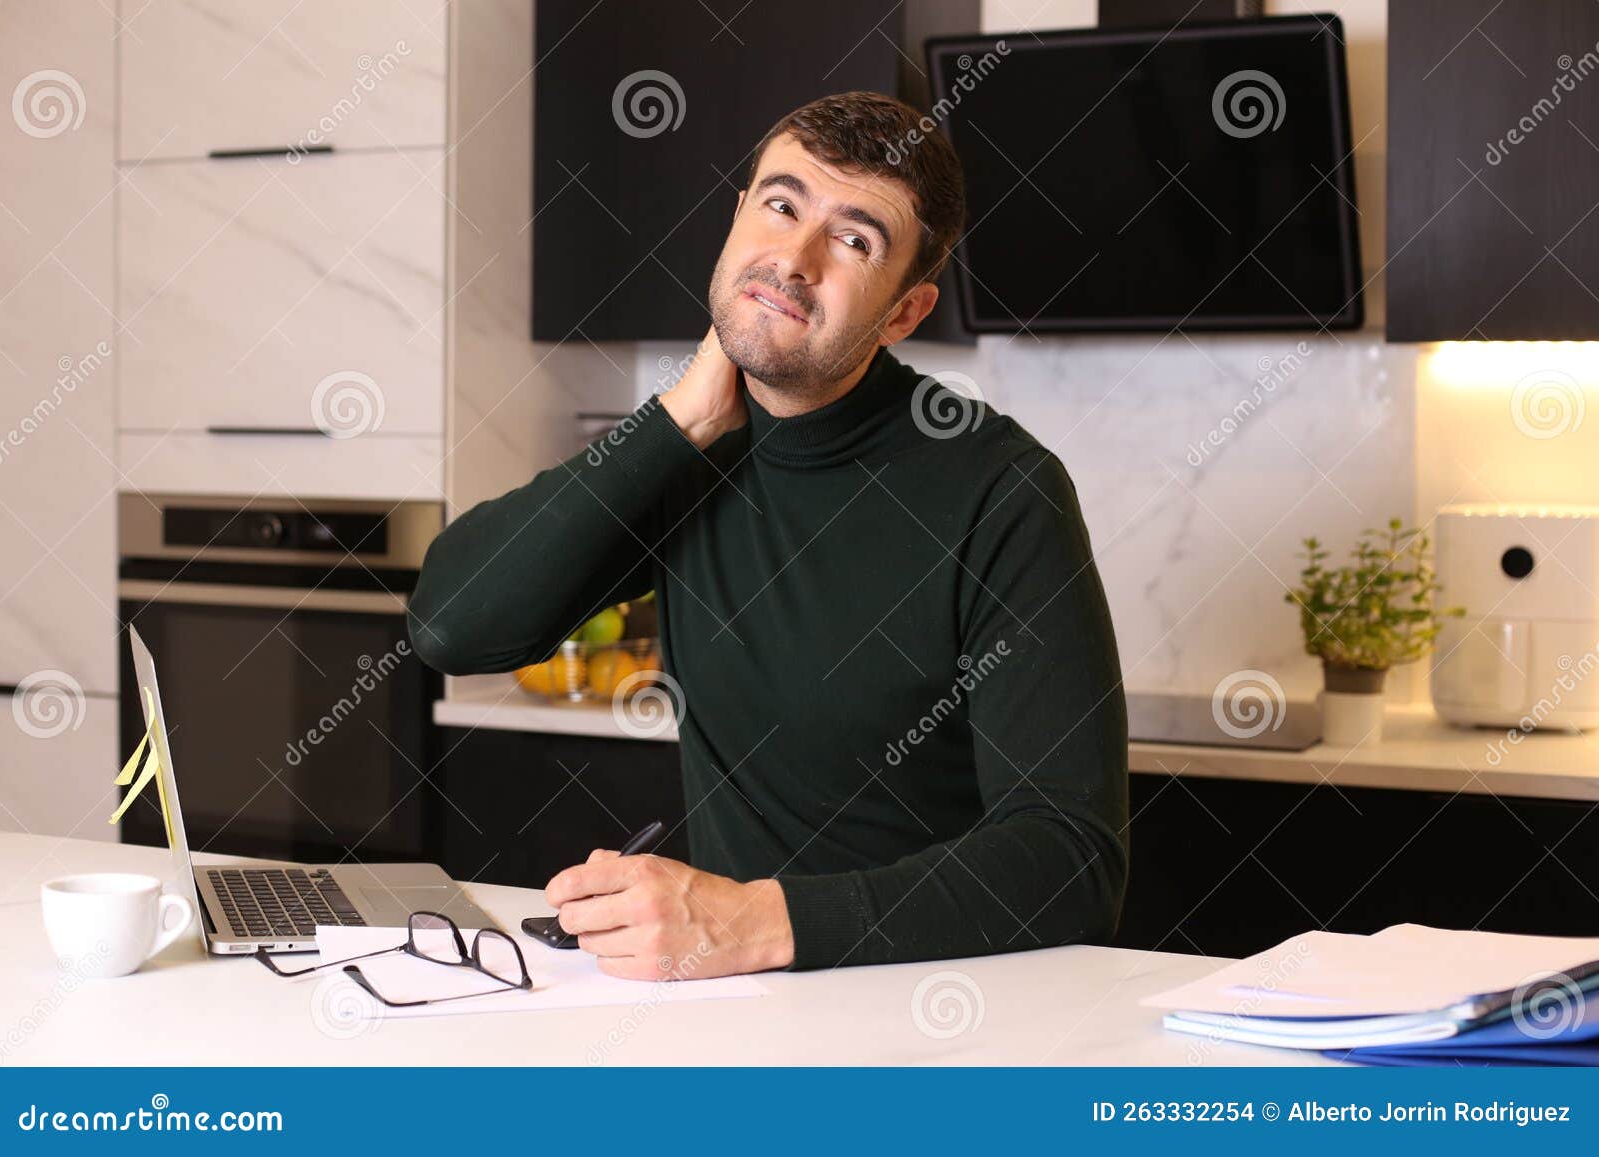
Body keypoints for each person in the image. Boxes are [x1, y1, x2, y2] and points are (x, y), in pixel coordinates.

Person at [408, 91, 1128, 979]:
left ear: (904, 313)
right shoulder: (693, 450)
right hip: (737, 1013)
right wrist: (677, 420)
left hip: (940, 1011)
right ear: (736, 216)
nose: (794, 258)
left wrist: (758, 920)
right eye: (781, 205)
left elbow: (1071, 860)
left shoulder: (1003, 490)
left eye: (854, 240)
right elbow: (451, 625)